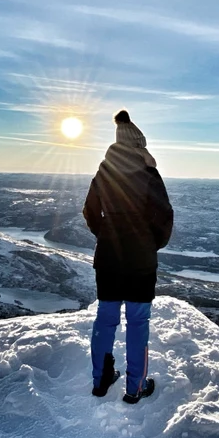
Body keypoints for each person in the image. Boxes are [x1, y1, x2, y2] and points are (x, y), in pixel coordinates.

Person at [83, 110, 173, 403]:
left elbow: (90, 211)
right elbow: (164, 216)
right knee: (137, 321)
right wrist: (150, 244)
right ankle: (135, 388)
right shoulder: (148, 173)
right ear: (138, 145)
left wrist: (106, 235)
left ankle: (100, 381)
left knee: (106, 318)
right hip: (140, 261)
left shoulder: (104, 171)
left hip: (108, 258)